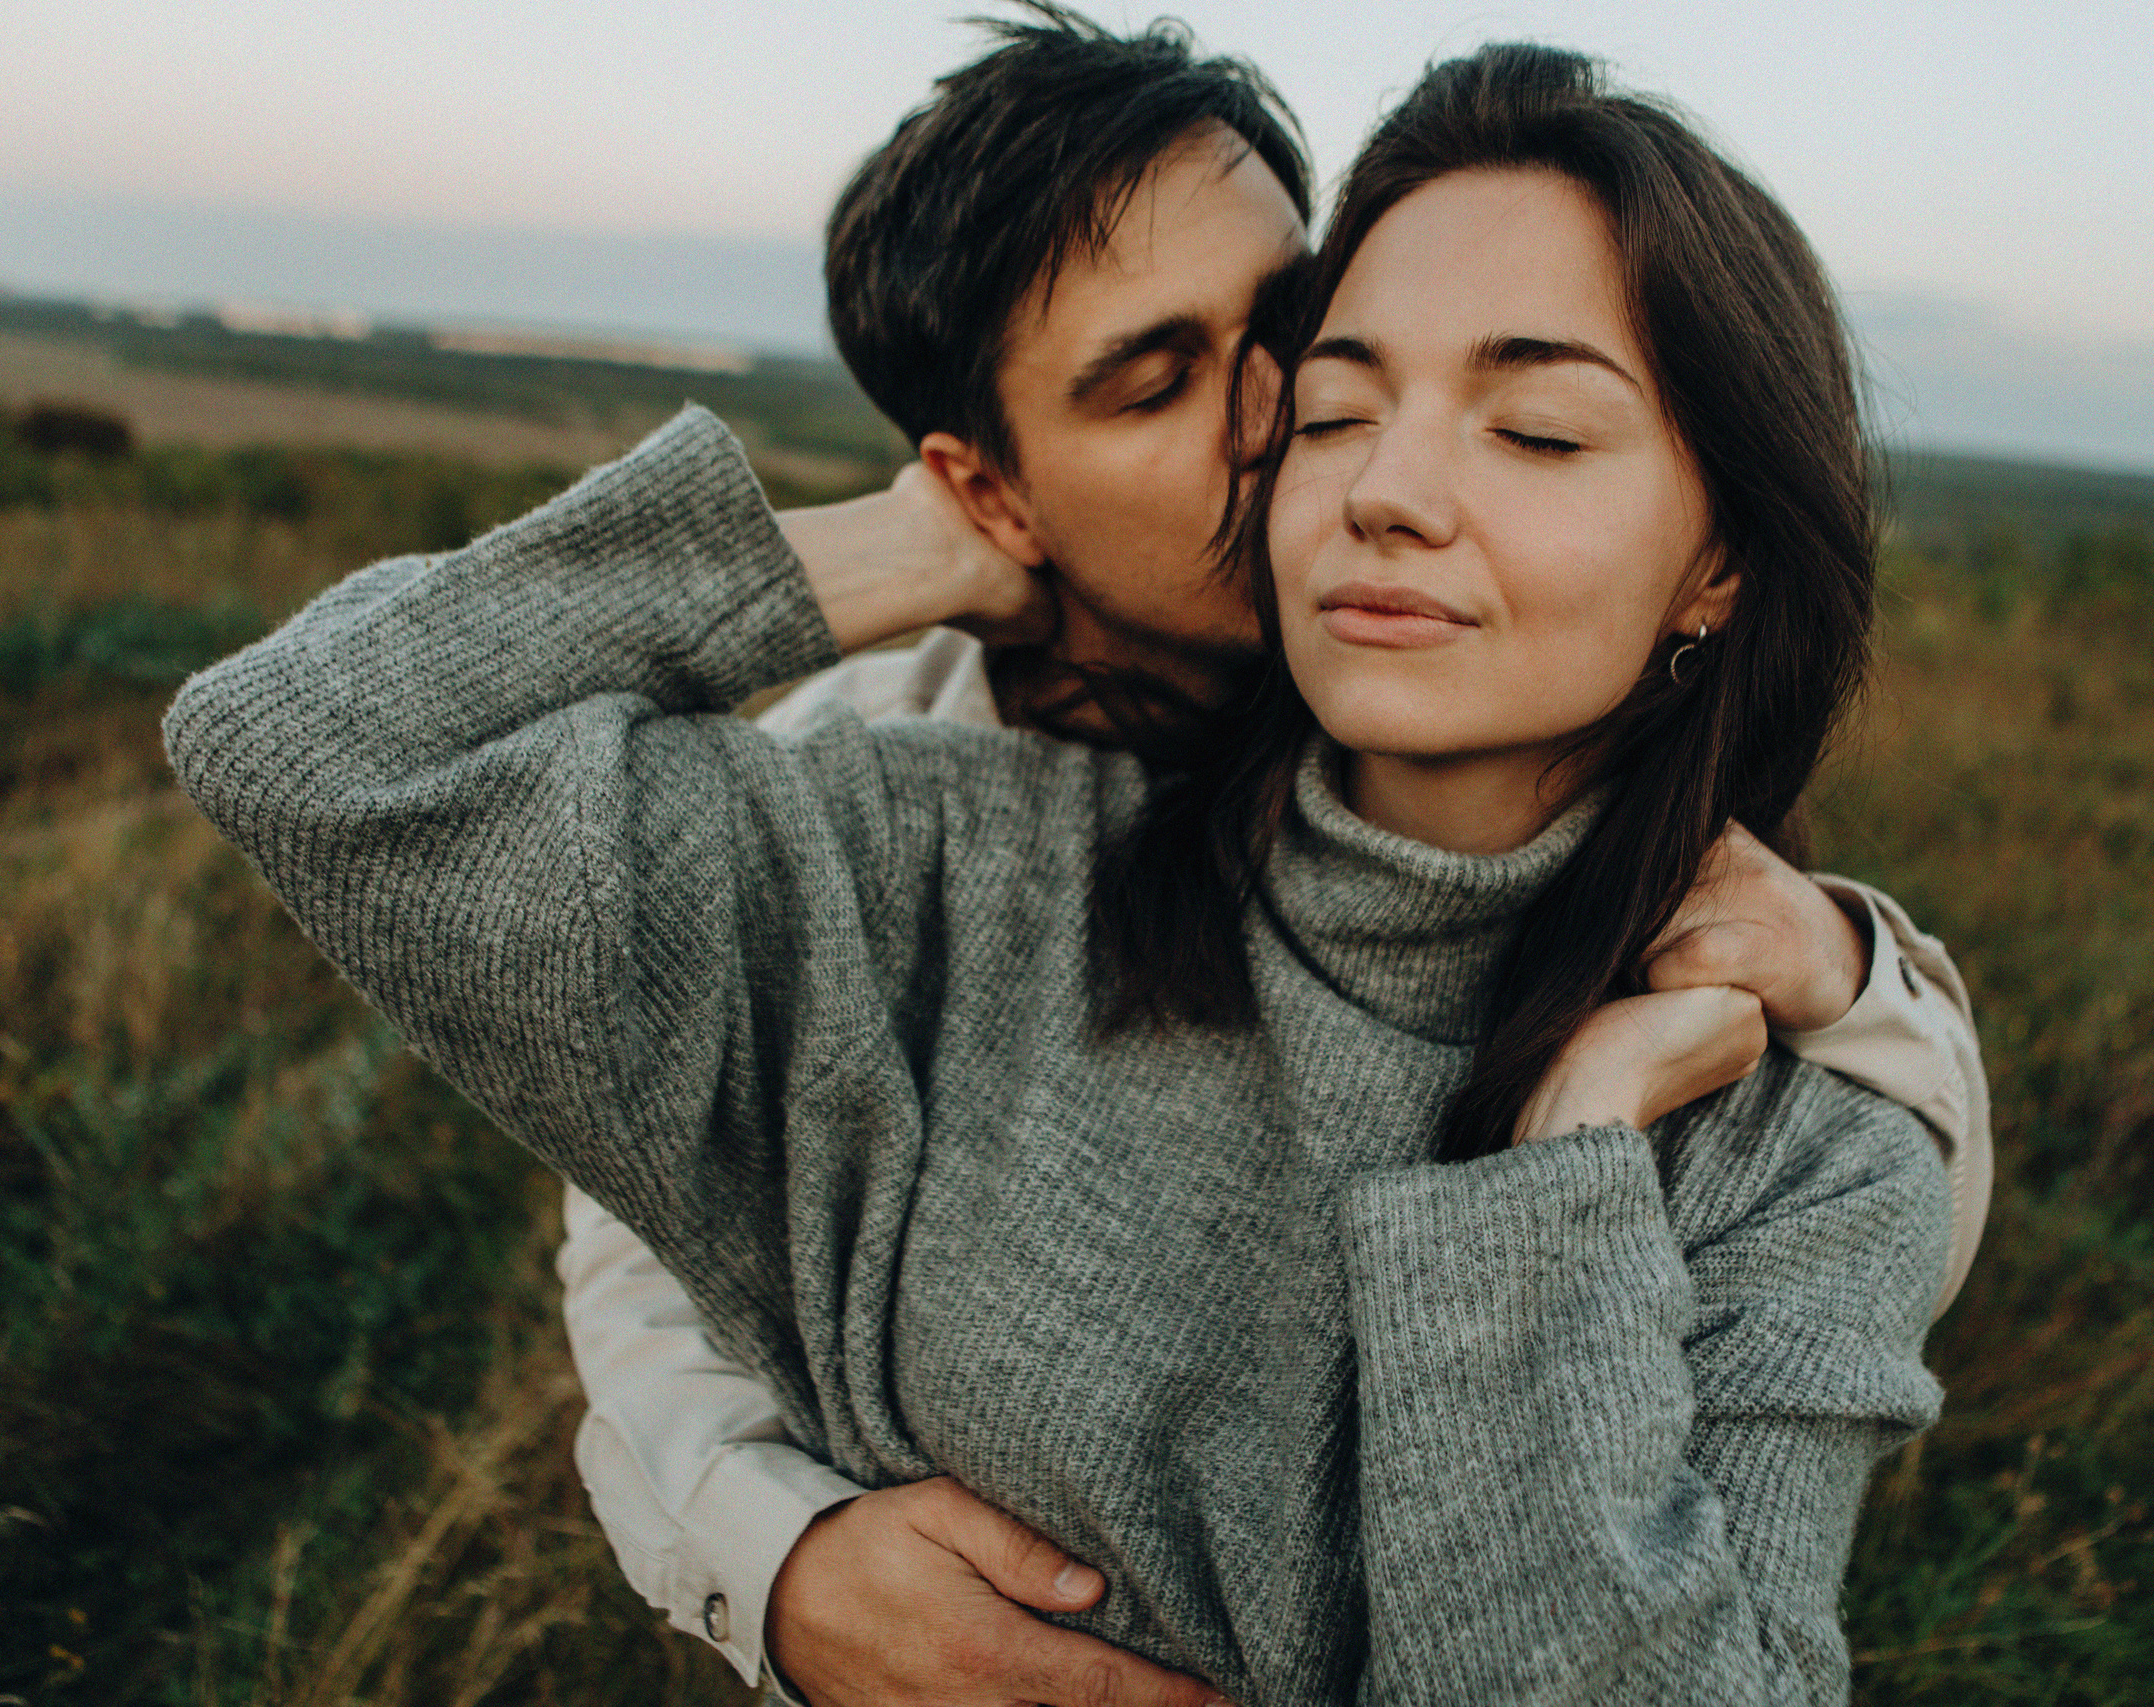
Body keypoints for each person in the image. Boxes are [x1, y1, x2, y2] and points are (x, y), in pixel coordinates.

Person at [170, 37, 1970, 1703]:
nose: (1331, 463)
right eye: (1313, 404)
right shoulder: (920, 836)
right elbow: (323, 761)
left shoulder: (1781, 1094)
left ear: (1721, 558)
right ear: (995, 490)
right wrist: (770, 1557)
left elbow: (1869, 1187)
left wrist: (1628, 1122)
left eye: (1296, 348)